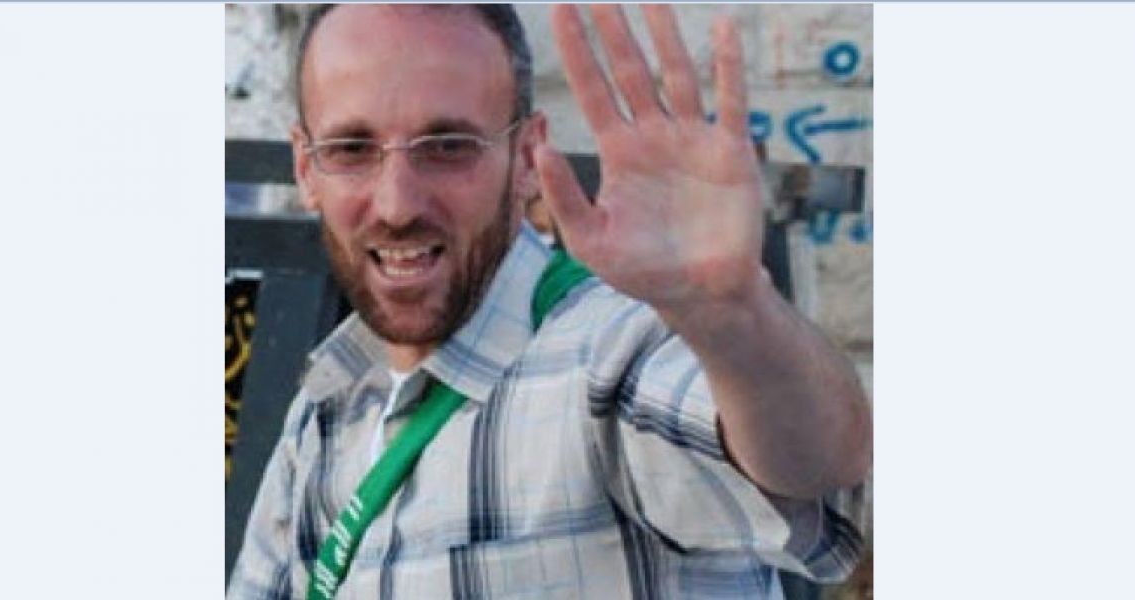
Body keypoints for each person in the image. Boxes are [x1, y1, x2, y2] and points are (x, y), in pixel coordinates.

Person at [228, 4, 872, 599]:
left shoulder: (609, 360)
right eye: (351, 149)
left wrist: (735, 318)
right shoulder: (327, 403)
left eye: (449, 146)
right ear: (305, 168)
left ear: (528, 158)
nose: (397, 205)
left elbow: (818, 466)